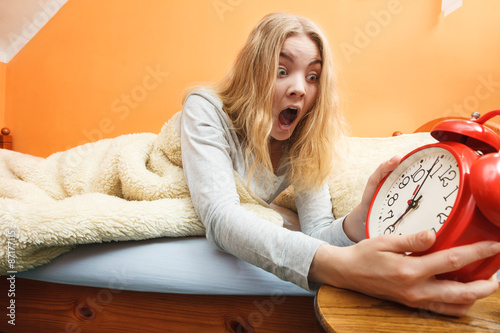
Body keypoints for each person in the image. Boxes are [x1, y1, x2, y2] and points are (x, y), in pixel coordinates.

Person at [180, 12, 499, 317]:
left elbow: (317, 231)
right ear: (253, 71)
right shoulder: (205, 108)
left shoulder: (301, 139)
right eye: (281, 70)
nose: (299, 89)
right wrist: (340, 268)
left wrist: (359, 219)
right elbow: (220, 217)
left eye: (313, 76)